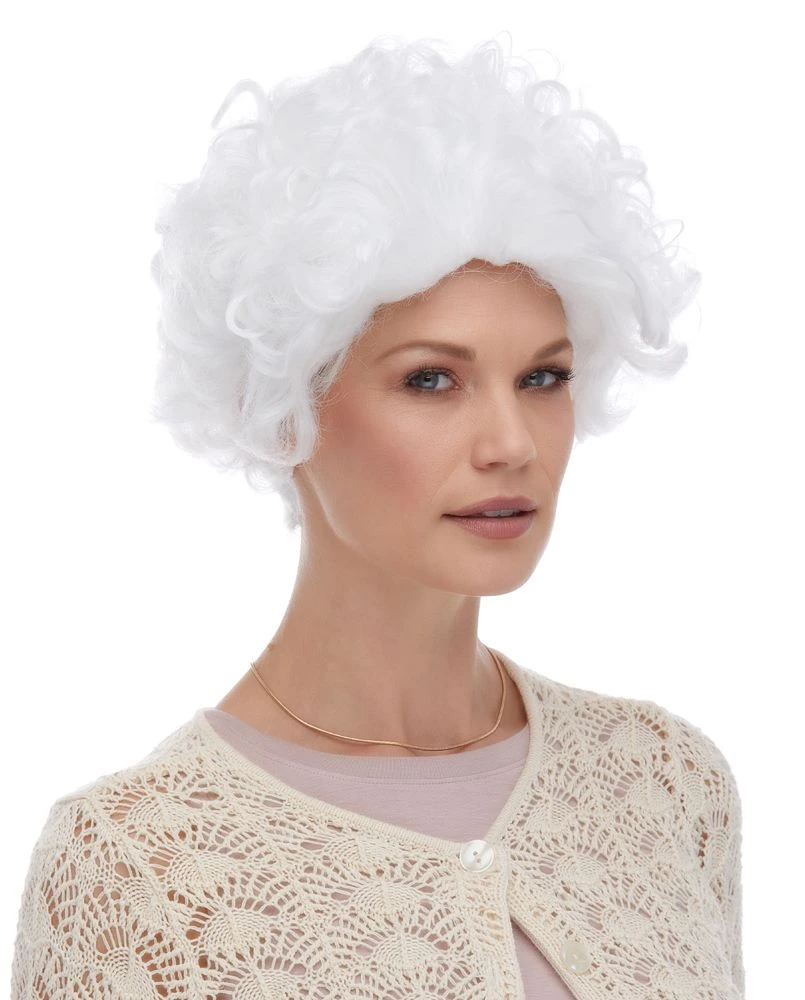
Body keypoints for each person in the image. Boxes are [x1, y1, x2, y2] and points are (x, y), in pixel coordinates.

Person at [10, 33, 744, 1000]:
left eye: (542, 378)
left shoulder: (664, 783)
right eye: (431, 379)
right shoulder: (138, 864)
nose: (511, 442)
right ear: (282, 408)